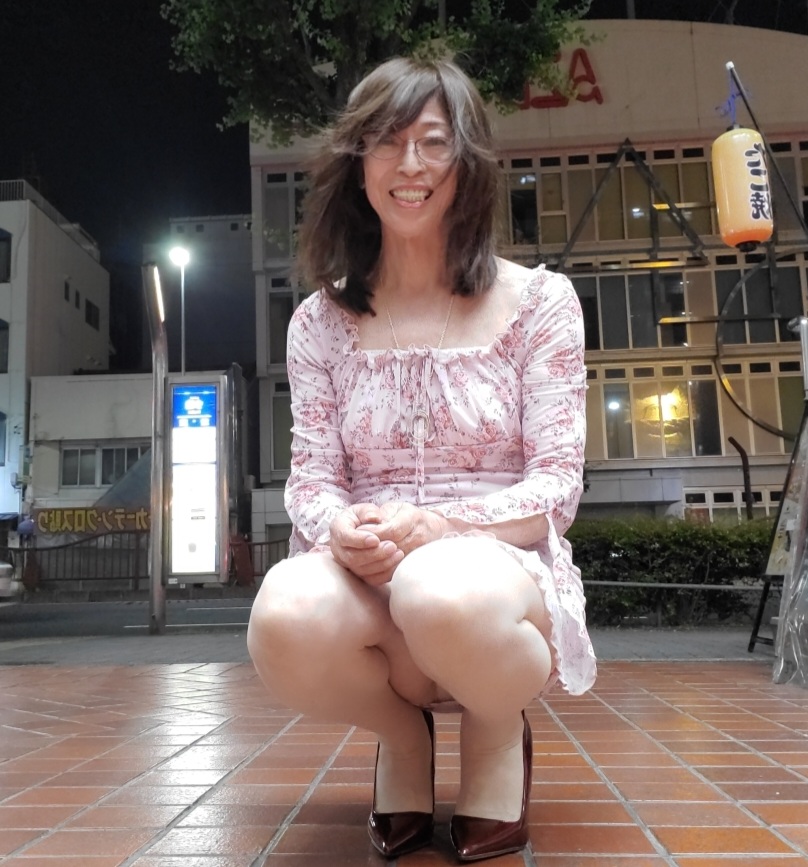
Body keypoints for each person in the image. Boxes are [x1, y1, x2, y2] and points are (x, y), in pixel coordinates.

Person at [247, 56, 596, 862]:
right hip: (372, 578)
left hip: (492, 578)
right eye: (387, 141)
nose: (410, 165)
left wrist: (440, 527)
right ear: (357, 162)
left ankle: (496, 728)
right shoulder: (319, 322)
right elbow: (312, 477)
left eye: (434, 142)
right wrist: (338, 529)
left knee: (436, 585)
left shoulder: (539, 304)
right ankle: (402, 736)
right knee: (284, 614)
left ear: (468, 161)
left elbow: (556, 488)